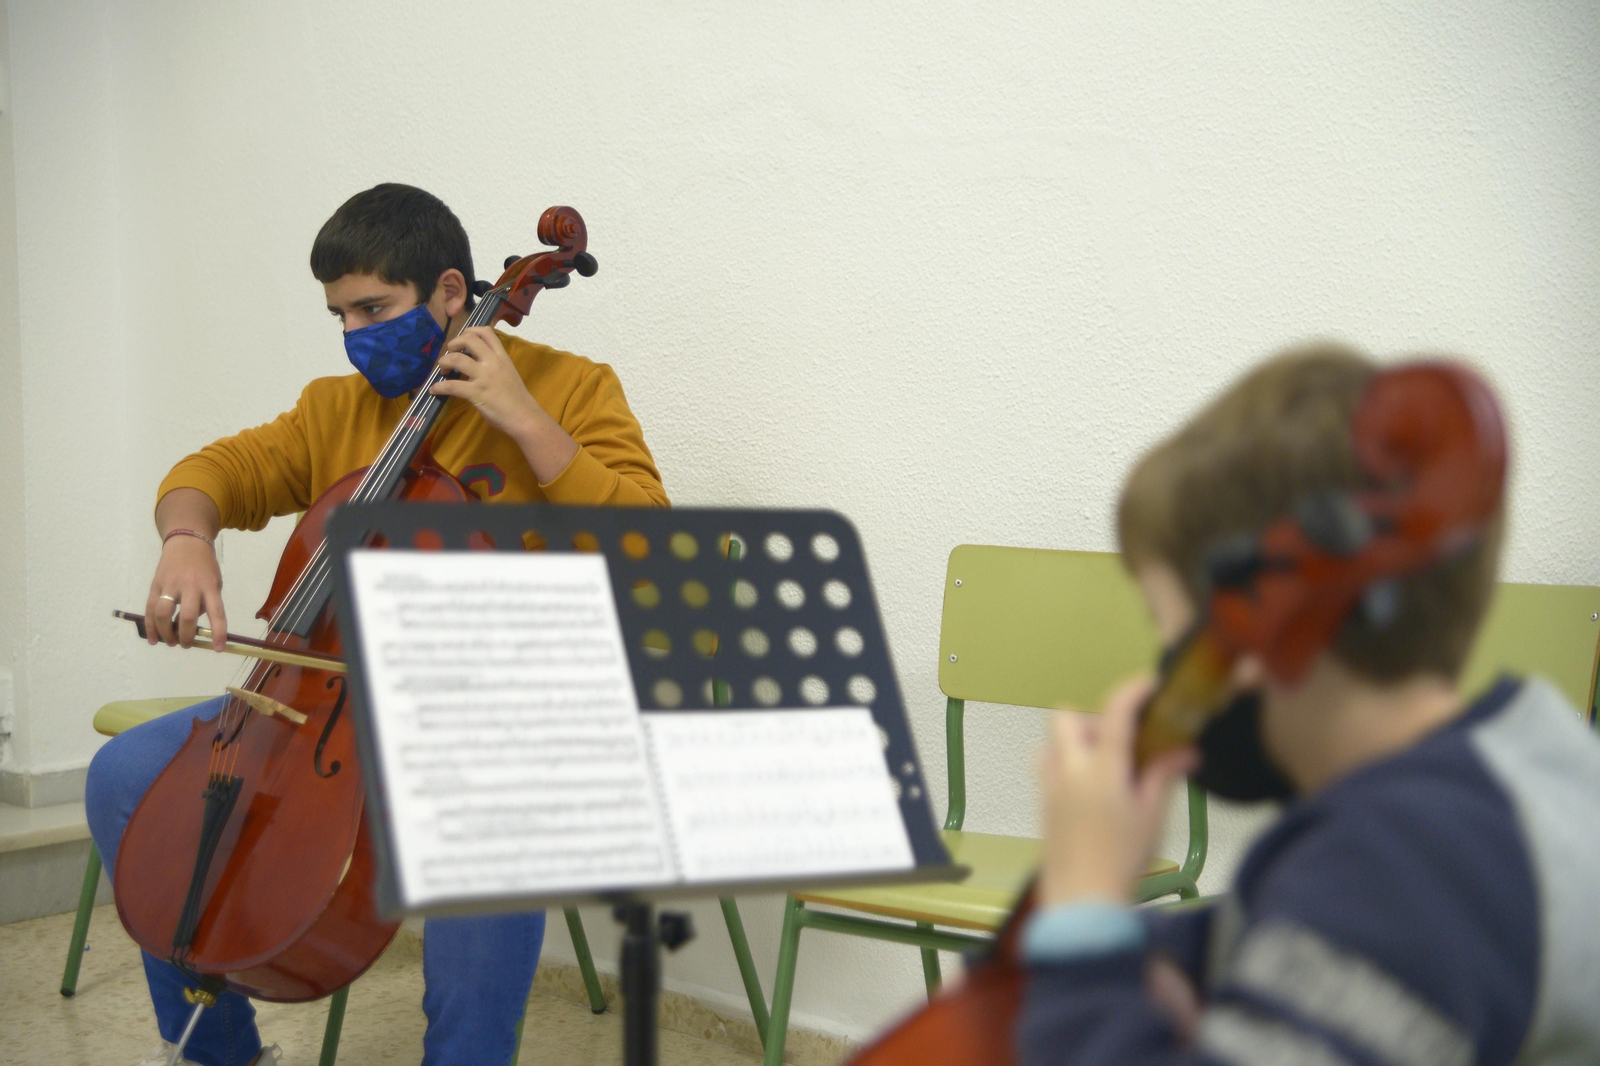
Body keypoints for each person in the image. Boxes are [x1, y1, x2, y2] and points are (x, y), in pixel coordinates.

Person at [85, 183, 668, 1066]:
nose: (357, 334)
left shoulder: (572, 389)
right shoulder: (336, 409)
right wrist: (185, 536)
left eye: (374, 308)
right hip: (334, 711)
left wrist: (524, 419)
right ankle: (222, 1054)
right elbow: (217, 470)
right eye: (340, 315)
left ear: (448, 293)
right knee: (123, 774)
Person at [1021, 345, 1600, 1064]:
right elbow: (1291, 941)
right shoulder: (1520, 780)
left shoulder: (1404, 858)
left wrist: (1083, 912)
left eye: (1163, 627)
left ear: (1256, 633)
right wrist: (1169, 955)